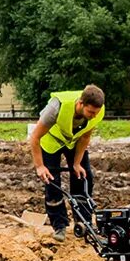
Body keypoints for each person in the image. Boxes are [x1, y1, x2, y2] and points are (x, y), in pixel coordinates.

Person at [29, 84, 105, 241]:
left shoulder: (97, 111)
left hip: (74, 141)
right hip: (51, 140)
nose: (93, 115)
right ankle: (59, 226)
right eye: (90, 112)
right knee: (52, 182)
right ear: (80, 104)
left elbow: (85, 136)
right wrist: (40, 166)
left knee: (83, 177)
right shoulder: (56, 107)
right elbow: (35, 137)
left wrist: (77, 164)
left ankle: (83, 223)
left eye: (95, 113)